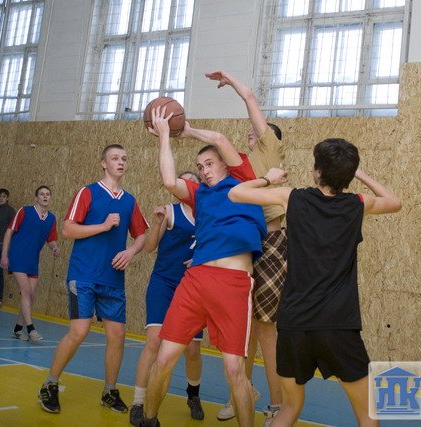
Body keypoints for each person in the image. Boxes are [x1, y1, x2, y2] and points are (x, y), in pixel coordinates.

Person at [228, 138, 401, 427]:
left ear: (317, 172)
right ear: (347, 175)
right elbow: (395, 202)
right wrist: (358, 174)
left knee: (288, 409)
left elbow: (236, 193)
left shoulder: (292, 197)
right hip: (338, 325)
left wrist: (267, 179)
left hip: (294, 322)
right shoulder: (358, 204)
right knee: (368, 416)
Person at [141, 108, 267, 427]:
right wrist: (165, 136)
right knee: (164, 358)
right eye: (200, 167)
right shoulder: (201, 195)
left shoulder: (243, 179)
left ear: (226, 163)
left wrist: (187, 130)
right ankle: (149, 420)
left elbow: (220, 138)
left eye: (209, 164)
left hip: (233, 282)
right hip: (196, 279)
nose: (204, 170)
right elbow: (169, 180)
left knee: (234, 370)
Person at [38, 144, 149, 415]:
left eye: (124, 158)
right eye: (115, 158)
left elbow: (142, 235)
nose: (120, 162)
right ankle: (49, 384)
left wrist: (130, 251)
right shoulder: (88, 192)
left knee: (117, 336)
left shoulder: (129, 200)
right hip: (84, 275)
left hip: (113, 280)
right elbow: (67, 229)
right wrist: (104, 225)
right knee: (79, 331)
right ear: (103, 163)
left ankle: (109, 391)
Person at [205, 69, 286, 424]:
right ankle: (242, 395)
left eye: (260, 128)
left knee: (267, 329)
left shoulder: (270, 151)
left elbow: (250, 98)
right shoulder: (240, 165)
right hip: (245, 247)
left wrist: (230, 79)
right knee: (244, 328)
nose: (252, 130)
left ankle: (278, 405)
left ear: (272, 139)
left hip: (272, 243)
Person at [130, 172, 205, 426]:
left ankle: (193, 395)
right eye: (181, 181)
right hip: (164, 283)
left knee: (192, 349)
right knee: (153, 342)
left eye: (190, 181)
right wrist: (157, 222)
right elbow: (150, 247)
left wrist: (201, 259)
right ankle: (139, 402)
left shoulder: (209, 215)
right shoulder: (170, 211)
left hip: (193, 287)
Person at [0, 185, 59, 341]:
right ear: (36, 198)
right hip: (18, 256)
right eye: (42, 194)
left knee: (30, 295)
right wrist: (4, 255)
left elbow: (51, 239)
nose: (45, 196)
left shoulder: (51, 219)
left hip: (33, 260)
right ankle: (31, 329)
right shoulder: (24, 211)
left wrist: (54, 247)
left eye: (48, 194)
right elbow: (9, 232)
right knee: (26, 292)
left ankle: (17, 329)